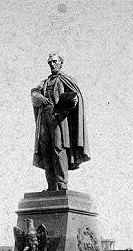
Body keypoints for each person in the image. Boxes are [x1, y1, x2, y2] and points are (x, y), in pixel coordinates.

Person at [31, 53, 90, 191]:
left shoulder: (66, 80)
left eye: (54, 62)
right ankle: (51, 185)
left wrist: (71, 102)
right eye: (50, 62)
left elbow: (75, 98)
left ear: (60, 63)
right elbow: (34, 93)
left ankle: (61, 183)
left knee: (58, 148)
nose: (52, 64)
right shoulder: (44, 82)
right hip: (45, 118)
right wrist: (39, 97)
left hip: (59, 119)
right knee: (46, 150)